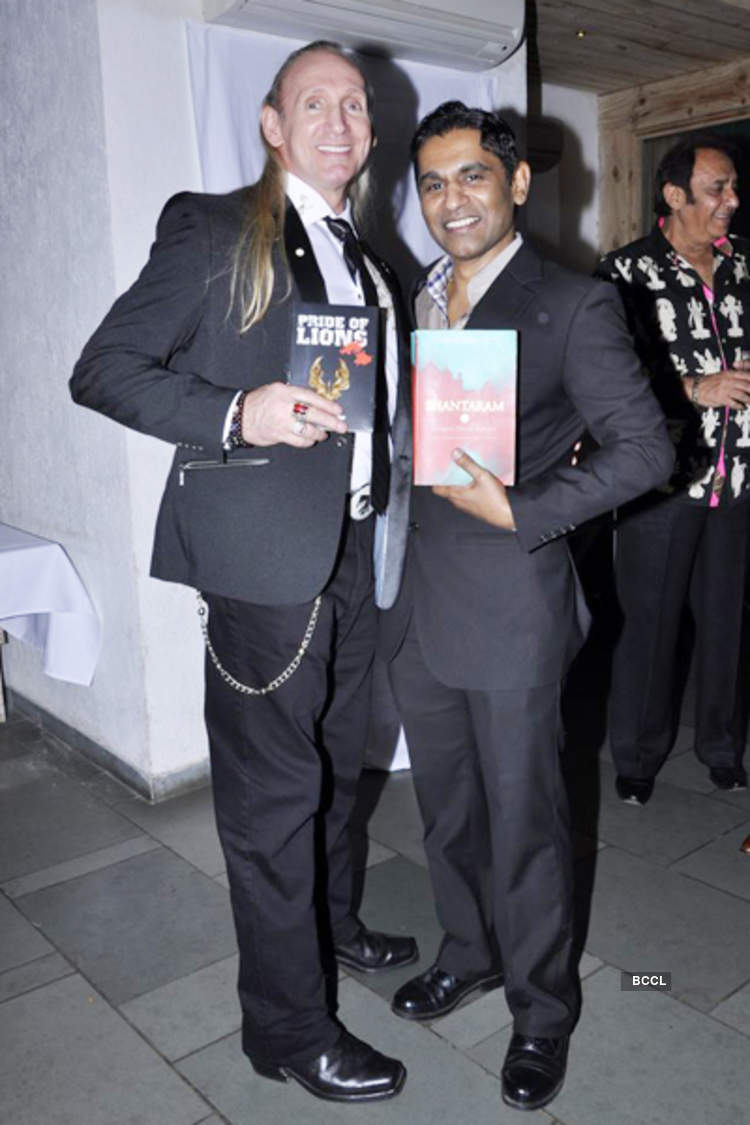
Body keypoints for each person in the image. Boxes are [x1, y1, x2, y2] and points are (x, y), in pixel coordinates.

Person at [70, 41, 416, 1105]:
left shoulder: (374, 258)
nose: (340, 121)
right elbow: (104, 370)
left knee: (338, 770)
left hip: (361, 551)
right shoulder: (218, 230)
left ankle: (335, 927)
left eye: (355, 105)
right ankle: (285, 1028)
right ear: (272, 124)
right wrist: (237, 413)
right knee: (272, 800)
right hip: (263, 573)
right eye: (314, 103)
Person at [380, 101, 674, 1112]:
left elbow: (648, 451)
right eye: (430, 182)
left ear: (514, 183)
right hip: (415, 602)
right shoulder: (411, 298)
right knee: (447, 808)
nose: (449, 200)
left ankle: (542, 1014)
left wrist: (526, 506)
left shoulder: (572, 305)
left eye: (470, 177)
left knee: (529, 824)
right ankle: (467, 951)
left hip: (511, 605)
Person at [596, 134, 750, 806]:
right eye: (717, 188)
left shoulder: (745, 265)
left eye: (733, 187)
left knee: (728, 622)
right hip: (662, 483)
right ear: (675, 194)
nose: (732, 201)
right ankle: (636, 757)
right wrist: (695, 388)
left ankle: (721, 746)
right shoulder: (624, 273)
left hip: (740, 478)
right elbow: (606, 382)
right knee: (649, 626)